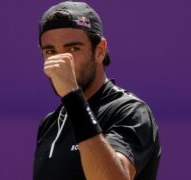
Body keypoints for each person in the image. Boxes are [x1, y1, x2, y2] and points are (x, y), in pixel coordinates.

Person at [33, 1, 161, 180]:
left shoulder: (130, 111)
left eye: (73, 49)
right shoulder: (50, 123)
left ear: (100, 51)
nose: (61, 60)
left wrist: (72, 95)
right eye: (50, 51)